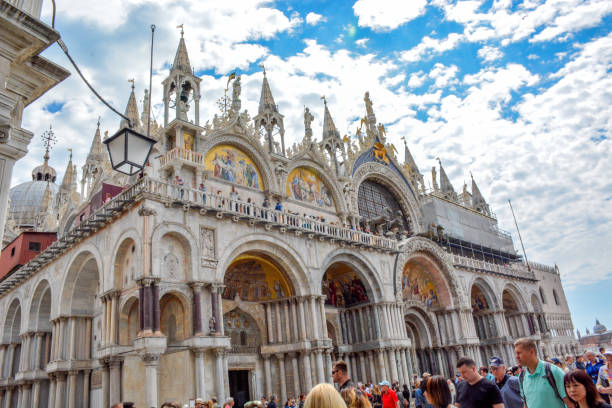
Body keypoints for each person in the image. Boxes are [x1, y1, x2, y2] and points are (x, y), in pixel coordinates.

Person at [515, 337, 572, 408]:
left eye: (519, 353)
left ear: (531, 352)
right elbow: (526, 403)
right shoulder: (522, 377)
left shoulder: (553, 371)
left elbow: (570, 403)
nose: (516, 357)